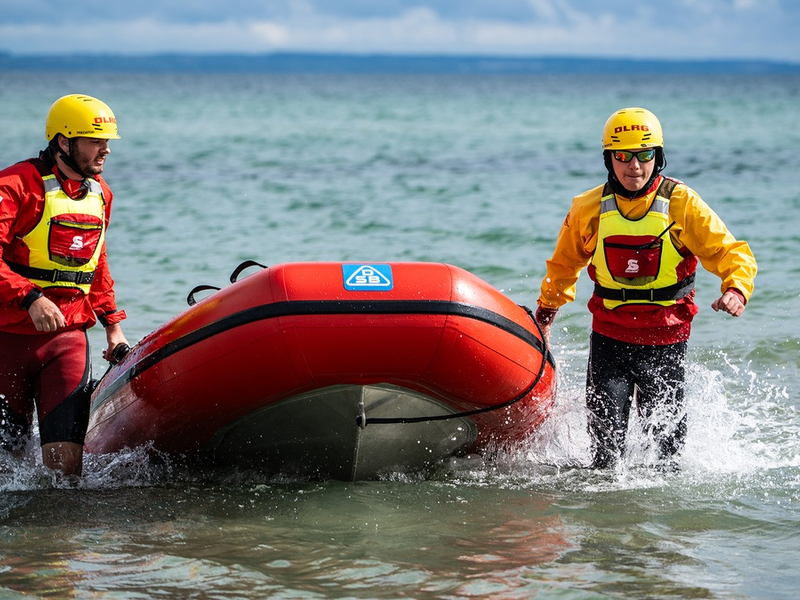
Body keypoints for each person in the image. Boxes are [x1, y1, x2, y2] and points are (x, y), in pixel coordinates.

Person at [535, 107, 756, 470]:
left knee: (667, 459)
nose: (634, 166)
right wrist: (546, 312)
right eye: (622, 156)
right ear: (609, 159)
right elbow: (563, 265)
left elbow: (730, 252)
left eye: (644, 154)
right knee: (605, 457)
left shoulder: (682, 204)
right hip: (610, 339)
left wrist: (736, 288)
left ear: (659, 157)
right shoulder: (588, 208)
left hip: (667, 339)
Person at [0, 94, 130, 477]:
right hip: (7, 338)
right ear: (63, 142)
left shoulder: (101, 195)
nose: (105, 150)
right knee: (7, 468)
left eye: (107, 142)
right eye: (95, 141)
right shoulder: (16, 185)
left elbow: (97, 264)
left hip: (68, 340)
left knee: (66, 474)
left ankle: (63, 536)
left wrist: (113, 327)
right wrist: (29, 298)